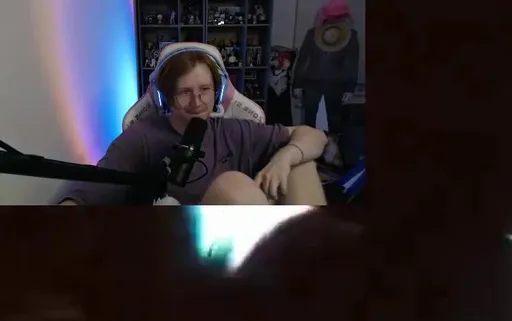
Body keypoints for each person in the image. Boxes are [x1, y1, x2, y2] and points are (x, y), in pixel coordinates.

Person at [55, 48, 328, 205]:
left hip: (245, 240)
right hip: (182, 246)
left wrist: (285, 157)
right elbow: (97, 185)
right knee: (232, 185)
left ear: (217, 93)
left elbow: (315, 136)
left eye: (205, 90)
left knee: (302, 163)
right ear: (165, 97)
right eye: (185, 92)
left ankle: (313, 261)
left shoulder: (233, 131)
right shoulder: (143, 137)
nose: (197, 102)